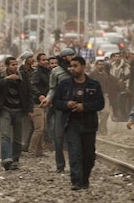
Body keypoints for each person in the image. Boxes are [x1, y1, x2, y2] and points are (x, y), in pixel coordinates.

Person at [53, 56, 105, 190]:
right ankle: (76, 181)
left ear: (83, 67)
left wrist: (85, 106)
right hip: (71, 124)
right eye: (71, 66)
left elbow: (100, 103)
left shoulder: (94, 84)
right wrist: (66, 104)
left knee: (89, 156)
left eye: (75, 66)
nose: (72, 69)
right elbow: (56, 102)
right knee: (74, 153)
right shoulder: (65, 84)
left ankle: (85, 178)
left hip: (89, 124)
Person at [0, 57, 33, 171]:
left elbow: (29, 92)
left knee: (17, 137)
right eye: (12, 65)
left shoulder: (22, 76)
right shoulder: (0, 75)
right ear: (7, 66)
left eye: (16, 64)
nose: (15, 67)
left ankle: (15, 160)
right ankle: (6, 159)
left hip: (19, 109)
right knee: (5, 135)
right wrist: (7, 79)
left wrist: (29, 110)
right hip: (5, 108)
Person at [46, 48, 75, 173]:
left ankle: (75, 163)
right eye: (70, 55)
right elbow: (52, 88)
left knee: (74, 136)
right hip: (60, 107)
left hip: (74, 107)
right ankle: (60, 165)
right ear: (64, 57)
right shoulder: (56, 72)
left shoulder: (76, 69)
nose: (72, 57)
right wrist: (48, 99)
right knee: (58, 137)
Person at [26, 52, 51, 156]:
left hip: (43, 103)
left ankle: (39, 150)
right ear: (38, 61)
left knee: (43, 128)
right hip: (36, 104)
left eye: (46, 60)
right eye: (43, 60)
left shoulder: (47, 72)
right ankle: (31, 150)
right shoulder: (38, 73)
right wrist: (39, 95)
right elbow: (32, 85)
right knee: (39, 128)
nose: (45, 62)